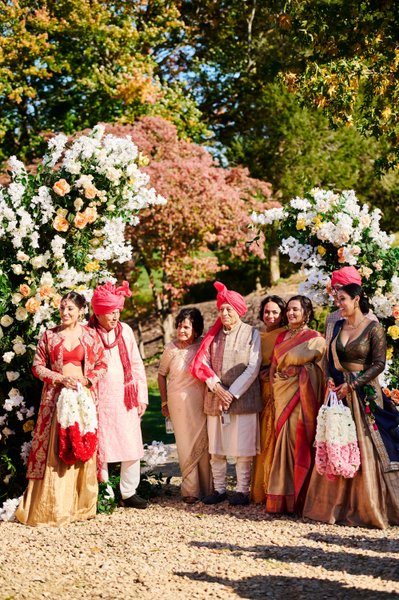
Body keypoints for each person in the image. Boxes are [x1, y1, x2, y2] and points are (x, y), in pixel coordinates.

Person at [303, 284, 399, 528]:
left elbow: (378, 365)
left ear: (356, 300)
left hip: (364, 394)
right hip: (339, 394)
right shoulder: (336, 326)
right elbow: (328, 360)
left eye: (342, 299)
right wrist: (329, 380)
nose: (339, 304)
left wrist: (353, 385)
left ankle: (372, 506)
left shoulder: (374, 328)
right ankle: (335, 506)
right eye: (337, 299)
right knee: (337, 442)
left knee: (368, 445)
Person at [16, 292, 107, 526]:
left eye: (70, 309)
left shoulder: (91, 336)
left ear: (81, 311)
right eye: (62, 308)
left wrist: (87, 380)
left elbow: (102, 364)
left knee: (81, 443)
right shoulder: (49, 336)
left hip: (82, 398)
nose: (65, 313)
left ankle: (81, 507)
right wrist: (58, 378)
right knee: (57, 449)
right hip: (56, 399)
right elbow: (37, 366)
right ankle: (54, 508)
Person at [191, 281, 262, 506]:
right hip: (216, 397)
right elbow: (203, 363)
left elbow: (254, 365)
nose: (225, 312)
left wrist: (232, 393)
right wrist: (217, 387)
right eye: (222, 308)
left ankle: (241, 491)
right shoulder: (213, 337)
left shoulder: (251, 333)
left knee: (243, 450)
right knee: (217, 449)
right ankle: (219, 490)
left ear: (239, 310)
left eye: (229, 308)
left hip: (243, 399)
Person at [89, 281, 149, 509]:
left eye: (117, 311)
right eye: (109, 312)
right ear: (99, 312)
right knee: (101, 446)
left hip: (126, 397)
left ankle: (129, 491)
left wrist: (141, 395)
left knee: (131, 443)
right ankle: (105, 493)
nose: (114, 316)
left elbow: (136, 364)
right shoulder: (88, 333)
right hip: (100, 398)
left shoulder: (126, 330)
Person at [266, 295, 326, 515]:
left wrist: (301, 372)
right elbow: (274, 366)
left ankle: (298, 498)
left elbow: (320, 370)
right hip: (281, 395)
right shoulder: (281, 336)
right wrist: (275, 386)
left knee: (296, 441)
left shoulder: (314, 338)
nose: (291, 313)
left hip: (301, 397)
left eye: (295, 310)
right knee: (280, 442)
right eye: (289, 310)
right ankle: (281, 496)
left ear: (306, 313)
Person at [158, 308, 212, 504]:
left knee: (204, 443)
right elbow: (161, 374)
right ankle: (190, 490)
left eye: (186, 327)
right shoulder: (170, 349)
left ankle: (207, 488)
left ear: (196, 330)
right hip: (177, 402)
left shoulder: (203, 346)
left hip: (200, 402)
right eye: (180, 326)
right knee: (184, 445)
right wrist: (164, 401)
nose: (181, 330)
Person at [251, 295, 287, 503]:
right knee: (260, 438)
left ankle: (274, 488)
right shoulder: (257, 336)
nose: (270, 316)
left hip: (278, 391)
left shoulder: (286, 335)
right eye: (267, 311)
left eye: (275, 312)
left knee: (273, 436)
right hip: (258, 391)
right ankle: (258, 489)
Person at [325, 266, 377, 346]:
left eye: (338, 288)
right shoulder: (332, 318)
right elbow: (327, 353)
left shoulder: (370, 320)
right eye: (333, 288)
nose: (334, 293)